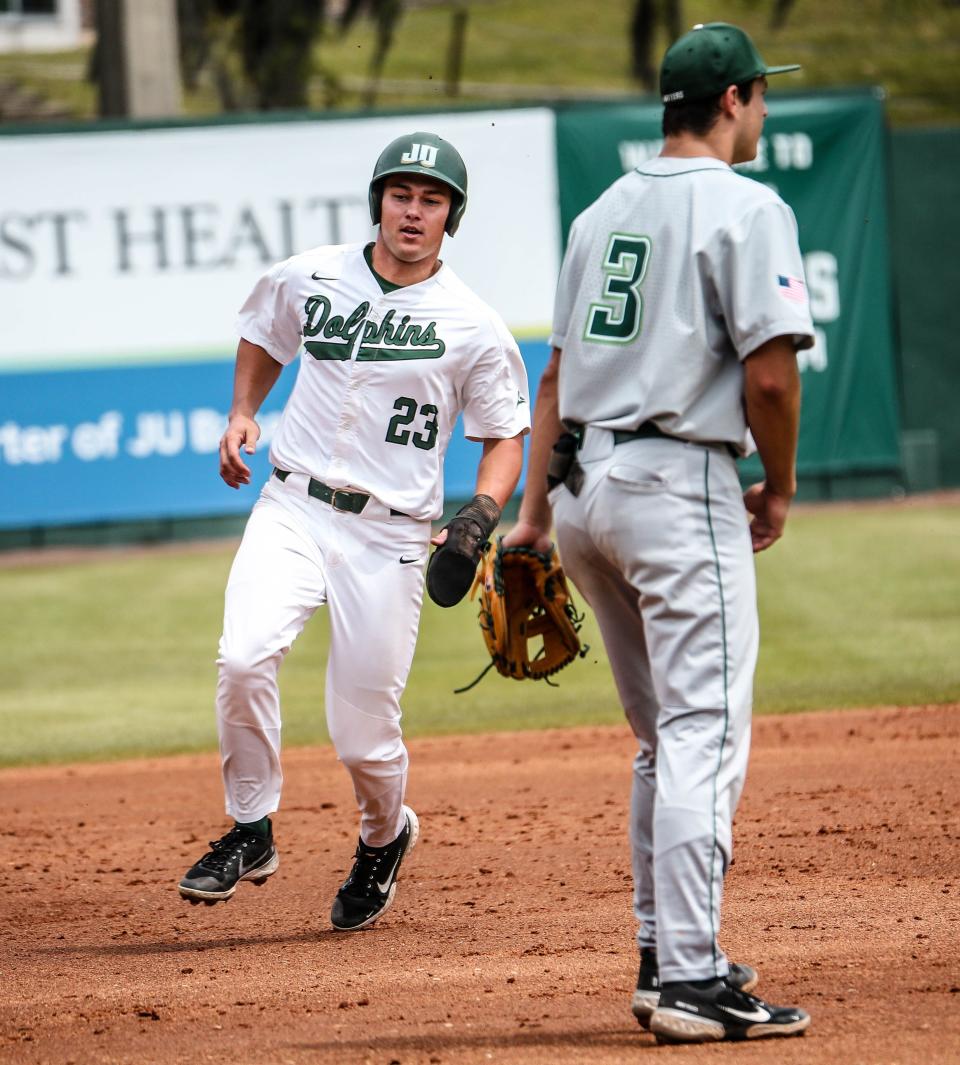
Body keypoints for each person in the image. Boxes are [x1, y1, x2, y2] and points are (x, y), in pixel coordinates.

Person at [504, 23, 815, 1043]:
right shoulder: (747, 206)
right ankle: (690, 977)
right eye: (759, 96)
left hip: (587, 492)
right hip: (678, 486)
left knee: (659, 738)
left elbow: (552, 376)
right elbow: (770, 373)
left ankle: (661, 954)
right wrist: (777, 486)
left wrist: (535, 517)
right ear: (731, 100)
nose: (761, 110)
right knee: (701, 731)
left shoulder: (604, 210)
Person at [178, 131, 529, 932]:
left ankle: (383, 835)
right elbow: (266, 332)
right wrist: (243, 410)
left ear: (452, 216)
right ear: (379, 200)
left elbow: (505, 432)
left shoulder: (471, 323)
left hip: (392, 537)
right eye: (401, 193)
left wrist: (479, 512)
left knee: (363, 736)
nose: (413, 210)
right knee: (242, 654)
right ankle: (251, 827)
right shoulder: (313, 274)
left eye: (431, 199)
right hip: (293, 504)